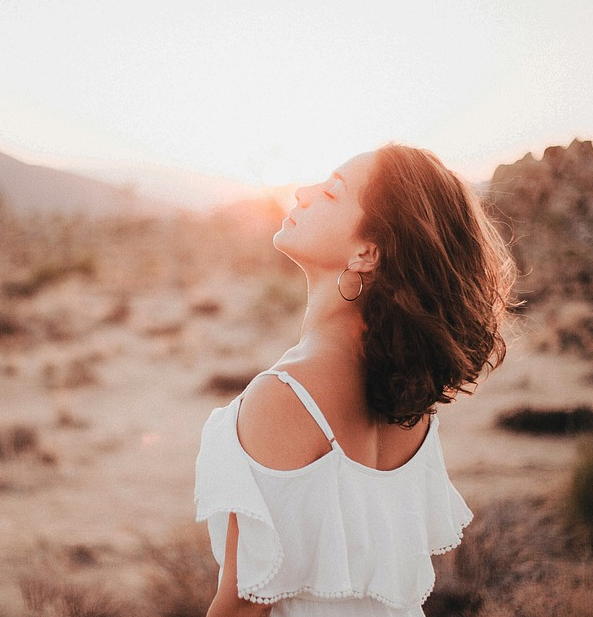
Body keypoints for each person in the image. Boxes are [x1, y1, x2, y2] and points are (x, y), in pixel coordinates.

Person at [195, 144, 516, 617]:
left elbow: (243, 607)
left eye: (331, 191)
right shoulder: (410, 403)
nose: (303, 192)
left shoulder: (285, 397)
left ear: (367, 252)